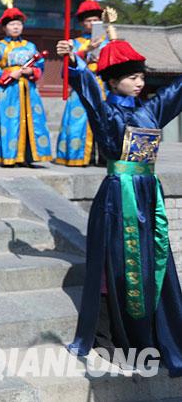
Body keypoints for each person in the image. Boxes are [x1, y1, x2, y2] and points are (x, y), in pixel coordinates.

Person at [58, 34, 182, 376]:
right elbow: (86, 88)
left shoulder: (151, 110)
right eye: (132, 77)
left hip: (147, 195)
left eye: (142, 76)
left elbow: (176, 92)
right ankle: (107, 335)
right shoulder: (105, 109)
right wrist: (73, 62)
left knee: (151, 263)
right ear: (113, 81)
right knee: (113, 267)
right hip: (117, 197)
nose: (140, 82)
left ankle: (152, 333)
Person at [0, 0, 53, 167]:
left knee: (30, 122)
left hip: (28, 90)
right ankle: (9, 156)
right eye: (12, 24)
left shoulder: (30, 46)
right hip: (7, 91)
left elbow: (39, 65)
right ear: (4, 27)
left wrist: (31, 71)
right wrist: (8, 74)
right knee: (9, 122)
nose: (16, 27)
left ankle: (27, 157)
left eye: (18, 24)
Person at [55, 0, 109, 166]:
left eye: (95, 20)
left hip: (103, 86)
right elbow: (68, 67)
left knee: (104, 121)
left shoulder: (107, 42)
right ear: (82, 23)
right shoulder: (75, 43)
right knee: (80, 122)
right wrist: (86, 52)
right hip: (82, 88)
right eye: (88, 20)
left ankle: (104, 157)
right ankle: (79, 156)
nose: (92, 23)